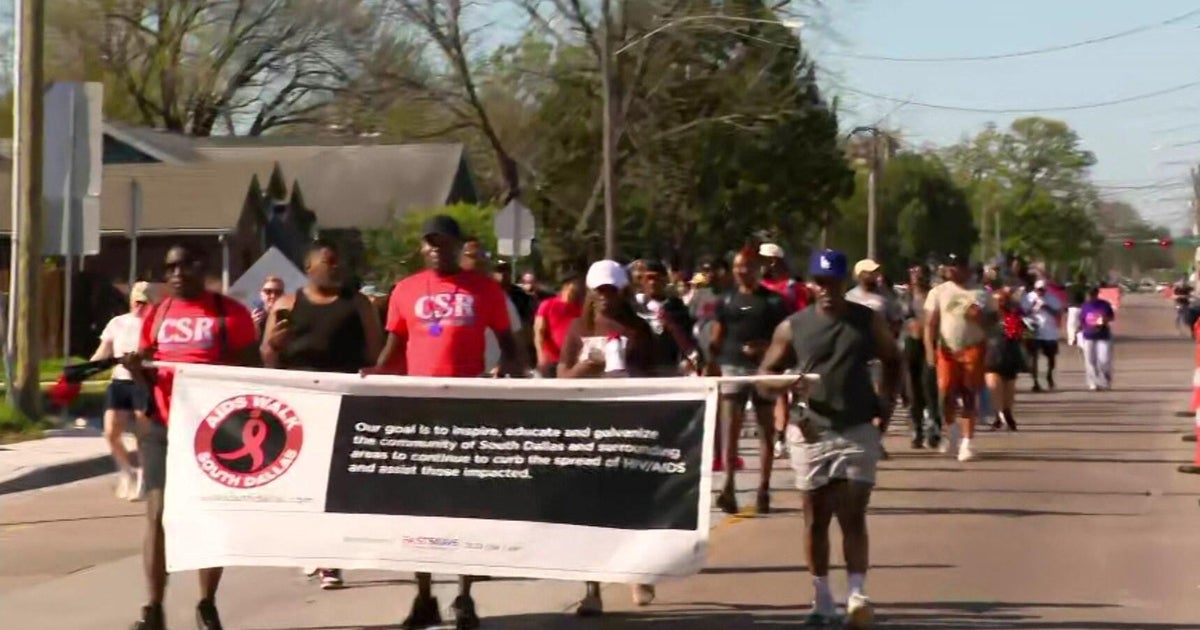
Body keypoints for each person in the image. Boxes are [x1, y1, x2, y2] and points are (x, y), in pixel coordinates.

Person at [366, 214, 522, 630]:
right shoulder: (405, 290)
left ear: (457, 245)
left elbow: (509, 344)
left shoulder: (484, 289)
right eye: (430, 243)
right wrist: (377, 374)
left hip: (469, 410)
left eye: (444, 242)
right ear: (422, 248)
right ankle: (423, 596)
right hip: (419, 412)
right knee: (420, 510)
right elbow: (394, 346)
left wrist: (507, 373)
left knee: (465, 507)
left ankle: (465, 595)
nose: (437, 249)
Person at [758, 248, 901, 628]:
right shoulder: (793, 326)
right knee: (815, 518)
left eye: (833, 282)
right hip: (810, 430)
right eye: (820, 282)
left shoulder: (867, 321)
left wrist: (885, 406)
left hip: (856, 428)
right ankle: (822, 598)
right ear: (811, 284)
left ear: (844, 283)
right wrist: (786, 382)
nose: (826, 289)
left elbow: (894, 359)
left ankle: (857, 594)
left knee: (853, 513)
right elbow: (765, 376)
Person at [123, 245, 260, 630]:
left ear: (205, 267)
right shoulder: (157, 313)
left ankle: (206, 603)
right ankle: (153, 608)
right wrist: (136, 370)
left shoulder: (229, 313)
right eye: (170, 268)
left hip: (213, 430)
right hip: (162, 425)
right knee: (158, 513)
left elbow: (255, 370)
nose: (178, 273)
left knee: (208, 513)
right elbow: (149, 372)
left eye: (186, 264)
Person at [261, 239, 384, 590]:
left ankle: (331, 558)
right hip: (299, 405)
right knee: (307, 484)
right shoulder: (286, 304)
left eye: (339, 262)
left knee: (338, 484)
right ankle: (313, 548)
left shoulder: (358, 304)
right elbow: (267, 359)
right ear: (309, 267)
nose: (336, 268)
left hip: (346, 402)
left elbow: (374, 356)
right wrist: (274, 345)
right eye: (329, 262)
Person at [558, 260, 657, 615]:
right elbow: (561, 376)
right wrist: (585, 369)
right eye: (598, 291)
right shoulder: (577, 328)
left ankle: (638, 571)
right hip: (589, 429)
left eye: (611, 290)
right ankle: (591, 589)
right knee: (591, 510)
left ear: (622, 291)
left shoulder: (638, 330)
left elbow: (657, 376)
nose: (604, 298)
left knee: (631, 505)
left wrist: (630, 375)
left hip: (630, 427)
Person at [709, 248, 790, 514]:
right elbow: (717, 335)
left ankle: (763, 489)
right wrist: (710, 360)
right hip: (733, 367)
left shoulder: (774, 302)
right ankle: (728, 485)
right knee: (730, 427)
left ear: (757, 268)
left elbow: (784, 337)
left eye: (746, 266)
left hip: (764, 369)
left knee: (765, 428)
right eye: (737, 266)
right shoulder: (726, 300)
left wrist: (766, 349)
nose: (741, 271)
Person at [90, 281, 156, 501]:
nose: (140, 306)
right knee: (111, 431)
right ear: (131, 301)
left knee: (141, 433)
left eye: (144, 302)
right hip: (119, 382)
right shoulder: (117, 323)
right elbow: (103, 352)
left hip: (143, 382)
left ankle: (145, 478)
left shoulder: (155, 325)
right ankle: (127, 472)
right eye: (137, 301)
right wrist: (83, 371)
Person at [925, 253, 987, 462]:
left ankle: (968, 442)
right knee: (946, 391)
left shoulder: (980, 292)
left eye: (957, 266)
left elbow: (994, 323)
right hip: (947, 349)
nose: (952, 270)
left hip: (973, 347)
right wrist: (929, 350)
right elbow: (931, 323)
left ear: (967, 269)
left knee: (969, 392)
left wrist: (981, 318)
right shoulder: (938, 292)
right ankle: (951, 430)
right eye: (949, 266)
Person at [759, 243, 807, 461]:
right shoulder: (758, 286)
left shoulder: (793, 287)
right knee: (776, 394)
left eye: (763, 259)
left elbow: (803, 314)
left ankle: (790, 432)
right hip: (765, 347)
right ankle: (778, 437)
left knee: (794, 392)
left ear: (774, 260)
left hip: (792, 345)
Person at [899, 264, 940, 449]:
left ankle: (933, 425)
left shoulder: (934, 294)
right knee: (913, 388)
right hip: (911, 343)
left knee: (929, 385)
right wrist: (911, 324)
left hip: (930, 343)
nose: (916, 276)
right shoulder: (904, 296)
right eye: (913, 272)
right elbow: (900, 317)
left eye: (920, 273)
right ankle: (916, 427)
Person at [634, 260, 699, 375]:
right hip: (640, 368)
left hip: (668, 367)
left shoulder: (676, 308)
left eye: (656, 278)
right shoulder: (635, 307)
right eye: (648, 278)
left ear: (665, 280)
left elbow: (687, 340)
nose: (652, 282)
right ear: (642, 281)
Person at [984, 287, 1025, 430]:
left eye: (1004, 300)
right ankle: (997, 416)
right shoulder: (988, 318)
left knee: (1009, 387)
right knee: (994, 386)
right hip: (992, 355)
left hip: (1010, 354)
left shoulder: (1014, 317)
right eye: (999, 300)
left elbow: (1018, 334)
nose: (1001, 303)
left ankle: (1007, 414)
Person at [533, 271, 585, 377]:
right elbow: (539, 332)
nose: (578, 290)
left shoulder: (581, 308)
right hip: (551, 359)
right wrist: (540, 356)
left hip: (571, 360)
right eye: (575, 286)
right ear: (566, 286)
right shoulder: (548, 304)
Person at [1022, 279, 1063, 392]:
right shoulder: (1028, 297)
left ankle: (1049, 375)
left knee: (1051, 358)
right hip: (1033, 330)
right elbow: (1022, 312)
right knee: (1033, 357)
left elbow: (1058, 313)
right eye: (1038, 290)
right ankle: (1035, 382)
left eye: (1043, 290)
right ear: (1035, 289)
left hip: (1049, 332)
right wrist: (1033, 306)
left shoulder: (1052, 298)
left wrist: (1047, 307)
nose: (1041, 292)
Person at [1077, 286, 1115, 391]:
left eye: (1092, 294)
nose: (1090, 296)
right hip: (1089, 336)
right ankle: (1093, 383)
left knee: (1104, 360)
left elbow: (1111, 317)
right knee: (1090, 361)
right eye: (1089, 294)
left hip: (1103, 336)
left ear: (1096, 294)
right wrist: (1079, 334)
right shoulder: (1085, 306)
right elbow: (1081, 321)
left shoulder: (1105, 305)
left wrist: (1104, 320)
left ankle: (1105, 381)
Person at [1065, 273, 1088, 346]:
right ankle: (1081, 340)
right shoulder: (1085, 287)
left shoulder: (1069, 287)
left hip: (1072, 308)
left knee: (1071, 325)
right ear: (1082, 279)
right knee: (1081, 324)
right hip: (1082, 307)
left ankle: (1072, 340)